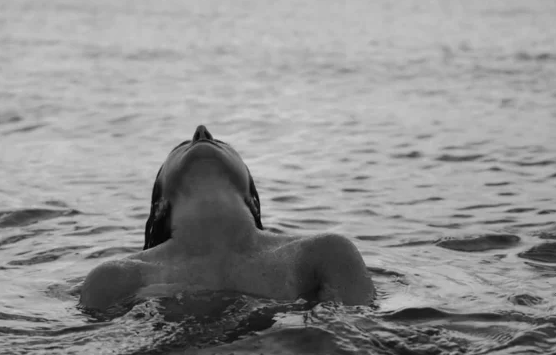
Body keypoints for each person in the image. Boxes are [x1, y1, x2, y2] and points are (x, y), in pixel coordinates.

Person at [78, 125, 376, 311]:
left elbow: (363, 354)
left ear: (253, 199)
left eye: (220, 142)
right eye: (181, 146)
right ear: (159, 207)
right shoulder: (115, 278)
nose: (201, 132)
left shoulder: (326, 254)